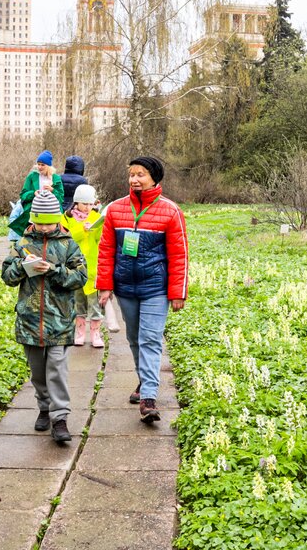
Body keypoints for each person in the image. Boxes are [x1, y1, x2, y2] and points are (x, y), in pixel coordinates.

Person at [96, 156, 188, 423]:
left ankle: (149, 397)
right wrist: (104, 286)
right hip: (125, 287)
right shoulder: (115, 210)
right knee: (135, 340)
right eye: (131, 174)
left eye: (140, 175)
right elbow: (106, 250)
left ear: (154, 178)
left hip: (155, 289)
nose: (134, 179)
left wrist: (177, 291)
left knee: (150, 339)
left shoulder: (170, 211)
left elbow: (179, 254)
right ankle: (144, 379)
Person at [1, 189, 87, 444]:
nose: (46, 227)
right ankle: (44, 407)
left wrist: (53, 270)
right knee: (38, 372)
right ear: (33, 220)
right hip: (30, 321)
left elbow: (80, 277)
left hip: (59, 321)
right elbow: (7, 276)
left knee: (57, 370)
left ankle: (60, 418)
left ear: (58, 220)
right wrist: (23, 268)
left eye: (50, 222)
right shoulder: (23, 244)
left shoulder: (68, 245)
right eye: (40, 222)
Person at [61, 184, 105, 348]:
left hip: (93, 267)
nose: (88, 207)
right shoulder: (67, 218)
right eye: (84, 204)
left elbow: (101, 240)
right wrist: (82, 231)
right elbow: (67, 239)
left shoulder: (96, 218)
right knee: (78, 302)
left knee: (95, 303)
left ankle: (95, 333)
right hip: (75, 268)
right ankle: (80, 332)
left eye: (91, 204)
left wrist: (93, 231)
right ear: (76, 203)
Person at [8, 150, 64, 240]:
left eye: (42, 165)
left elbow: (61, 198)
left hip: (51, 212)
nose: (40, 167)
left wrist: (52, 190)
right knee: (32, 237)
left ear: (48, 166)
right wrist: (33, 194)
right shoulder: (32, 176)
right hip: (34, 211)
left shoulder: (56, 178)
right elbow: (23, 194)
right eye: (38, 164)